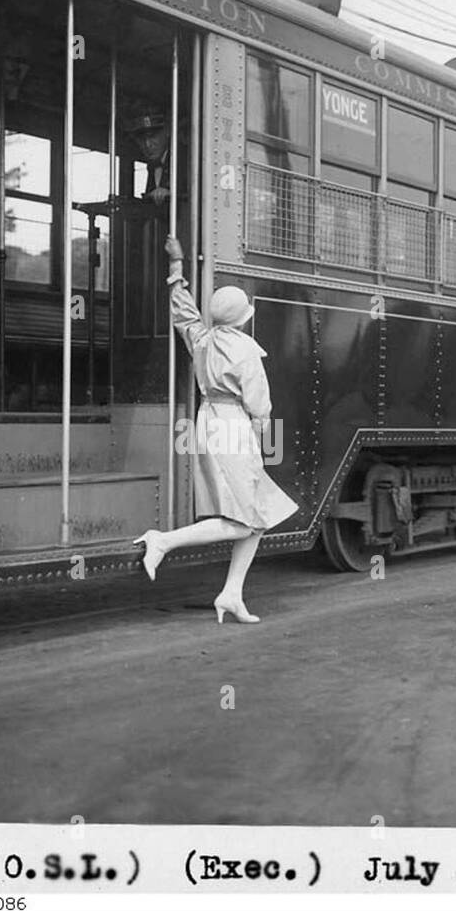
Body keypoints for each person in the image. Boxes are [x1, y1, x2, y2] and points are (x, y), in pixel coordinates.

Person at [133, 237, 298, 623]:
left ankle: (231, 594)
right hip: (234, 426)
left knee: (260, 514)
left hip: (206, 419)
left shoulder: (202, 338)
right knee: (245, 519)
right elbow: (260, 407)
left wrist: (177, 269)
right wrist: (261, 441)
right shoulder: (247, 352)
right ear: (244, 316)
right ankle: (163, 541)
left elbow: (183, 313)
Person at [124, 107, 171, 207]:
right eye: (142, 140)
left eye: (152, 136)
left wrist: (171, 194)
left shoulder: (185, 160)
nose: (147, 144)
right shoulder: (152, 165)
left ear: (167, 131)